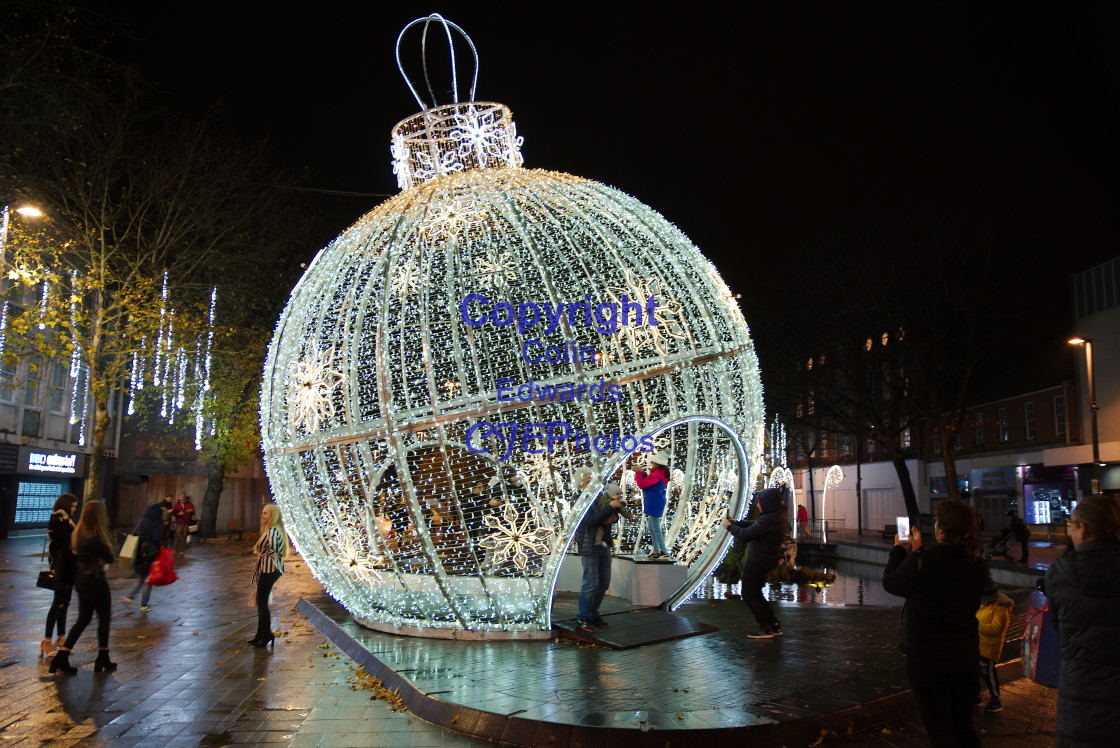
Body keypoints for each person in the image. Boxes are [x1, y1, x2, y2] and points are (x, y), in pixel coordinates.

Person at [883, 501, 988, 748]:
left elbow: (891, 582)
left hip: (927, 659)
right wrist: (920, 552)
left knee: (940, 733)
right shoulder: (978, 565)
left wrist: (900, 550)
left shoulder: (923, 561)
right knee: (963, 727)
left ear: (941, 529)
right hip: (965, 656)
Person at [1044, 495, 1120, 748]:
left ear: (1083, 529)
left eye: (1071, 523)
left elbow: (1059, 629)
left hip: (1081, 697)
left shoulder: (1061, 573)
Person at [50, 501, 117, 675]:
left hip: (80, 580)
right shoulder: (94, 535)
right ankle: (103, 656)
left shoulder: (77, 533)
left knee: (83, 619)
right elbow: (110, 557)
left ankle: (62, 656)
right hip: (95, 579)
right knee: (104, 617)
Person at [722, 486, 787, 638]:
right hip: (766, 560)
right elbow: (754, 525)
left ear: (766, 503)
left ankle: (765, 628)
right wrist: (737, 522)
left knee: (748, 593)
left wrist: (731, 527)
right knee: (756, 593)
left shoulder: (769, 519)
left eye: (760, 502)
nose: (758, 505)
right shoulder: (775, 517)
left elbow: (746, 535)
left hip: (758, 561)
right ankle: (773, 624)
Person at [573, 482, 625, 633]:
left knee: (603, 583)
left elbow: (608, 520)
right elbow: (591, 521)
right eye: (588, 481)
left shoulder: (601, 498)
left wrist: (614, 512)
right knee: (589, 583)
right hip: (590, 546)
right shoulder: (580, 499)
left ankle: (593, 614)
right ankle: (583, 617)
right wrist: (610, 508)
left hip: (603, 545)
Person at [42, 494, 79, 659]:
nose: (74, 510)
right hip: (60, 566)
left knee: (66, 603)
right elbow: (65, 539)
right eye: (72, 507)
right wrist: (68, 522)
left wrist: (71, 521)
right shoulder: (56, 519)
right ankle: (47, 640)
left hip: (71, 565)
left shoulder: (69, 520)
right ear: (65, 505)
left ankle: (62, 639)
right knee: (58, 603)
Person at [249, 503, 292, 648]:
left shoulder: (273, 531)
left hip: (269, 569)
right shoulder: (274, 530)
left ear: (273, 516)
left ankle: (266, 634)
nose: (262, 515)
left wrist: (267, 553)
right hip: (269, 568)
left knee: (262, 602)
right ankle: (260, 634)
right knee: (261, 601)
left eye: (265, 513)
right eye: (262, 513)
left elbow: (273, 548)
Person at [976, 577, 1013, 713]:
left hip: (989, 648)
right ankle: (976, 696)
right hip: (979, 645)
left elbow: (996, 629)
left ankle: (995, 700)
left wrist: (975, 625)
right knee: (976, 672)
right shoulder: (984, 604)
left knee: (988, 674)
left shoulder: (1001, 608)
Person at [122, 502, 164, 612]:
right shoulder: (154, 523)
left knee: (141, 578)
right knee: (148, 580)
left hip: (137, 553)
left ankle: (130, 597)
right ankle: (144, 604)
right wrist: (160, 549)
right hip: (148, 554)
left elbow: (132, 534)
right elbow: (155, 539)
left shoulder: (139, 521)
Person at [634, 450, 670, 559]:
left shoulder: (656, 475)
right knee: (651, 526)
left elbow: (642, 484)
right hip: (655, 501)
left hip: (655, 502)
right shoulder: (658, 474)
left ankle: (663, 551)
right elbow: (648, 482)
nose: (652, 464)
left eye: (653, 463)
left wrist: (638, 473)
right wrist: (642, 473)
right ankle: (656, 550)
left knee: (655, 527)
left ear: (657, 464)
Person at [172, 492, 195, 556]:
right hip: (179, 522)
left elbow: (193, 511)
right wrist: (178, 514)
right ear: (179, 497)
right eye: (181, 497)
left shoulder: (189, 504)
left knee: (184, 536)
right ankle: (175, 549)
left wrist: (190, 511)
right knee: (177, 536)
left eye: (183, 497)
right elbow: (174, 512)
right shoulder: (176, 504)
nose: (183, 498)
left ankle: (182, 550)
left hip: (186, 522)